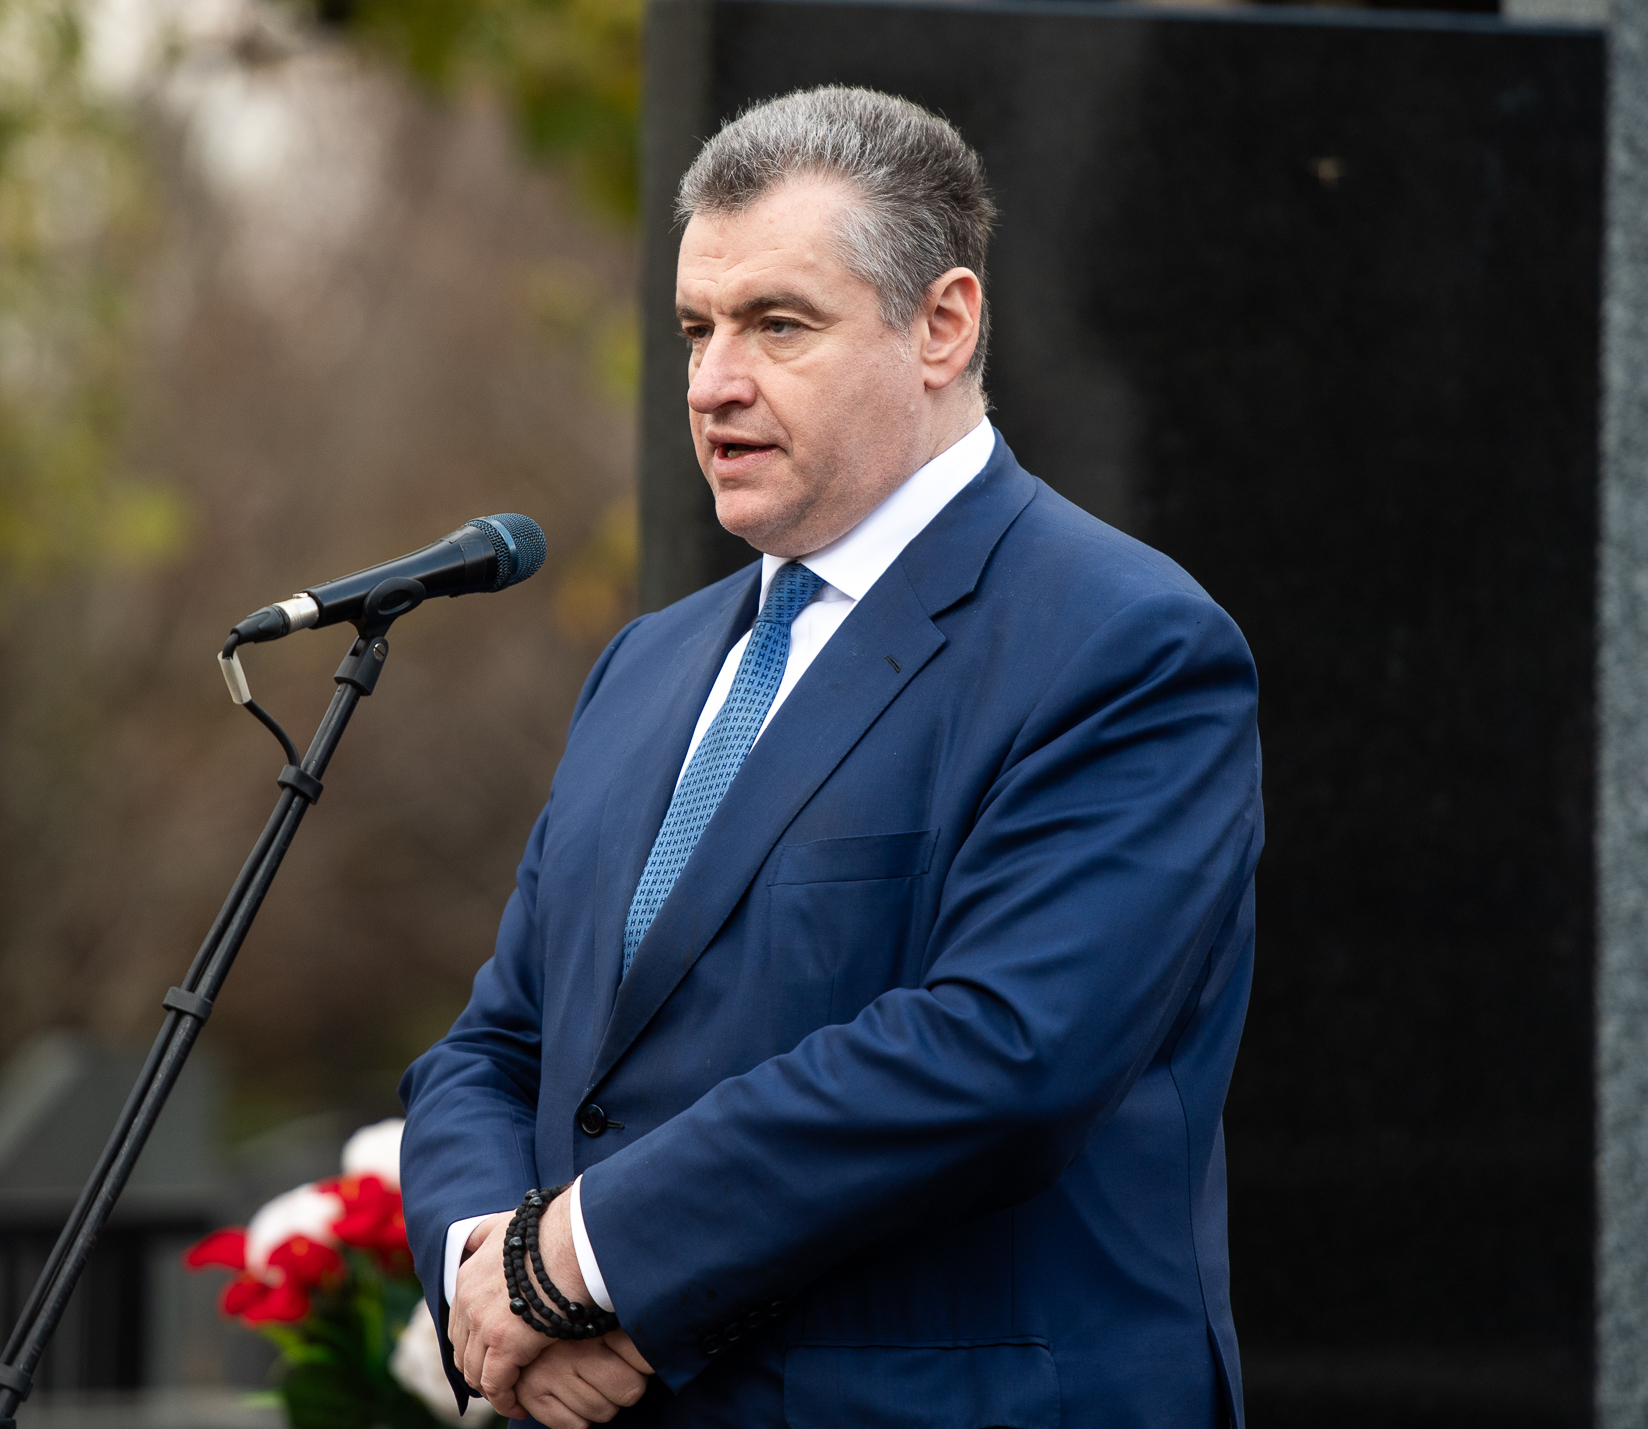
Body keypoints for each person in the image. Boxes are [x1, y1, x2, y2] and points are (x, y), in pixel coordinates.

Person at [399, 86, 1261, 1429]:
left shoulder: (1125, 643)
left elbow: (997, 1055)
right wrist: (488, 1276)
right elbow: (498, 1043)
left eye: (779, 325)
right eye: (697, 329)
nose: (713, 382)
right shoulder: (646, 668)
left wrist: (579, 1263)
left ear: (943, 324)